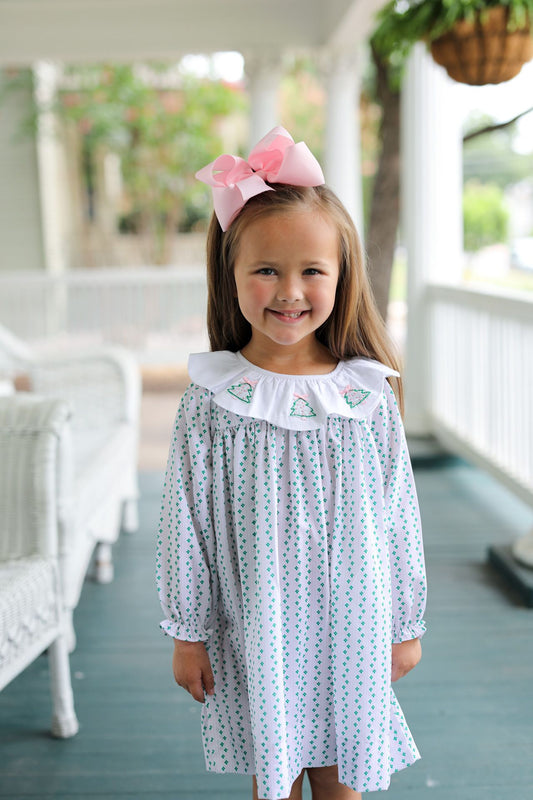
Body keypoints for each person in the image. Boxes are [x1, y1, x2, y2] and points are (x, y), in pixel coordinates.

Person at [156, 126, 427, 800]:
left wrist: (405, 623)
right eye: (266, 270)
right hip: (258, 625)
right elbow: (181, 525)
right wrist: (188, 633)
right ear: (232, 275)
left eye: (312, 270)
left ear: (341, 275)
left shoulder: (366, 394)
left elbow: (398, 516)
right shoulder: (214, 400)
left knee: (342, 779)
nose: (289, 290)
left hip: (354, 623)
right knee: (273, 778)